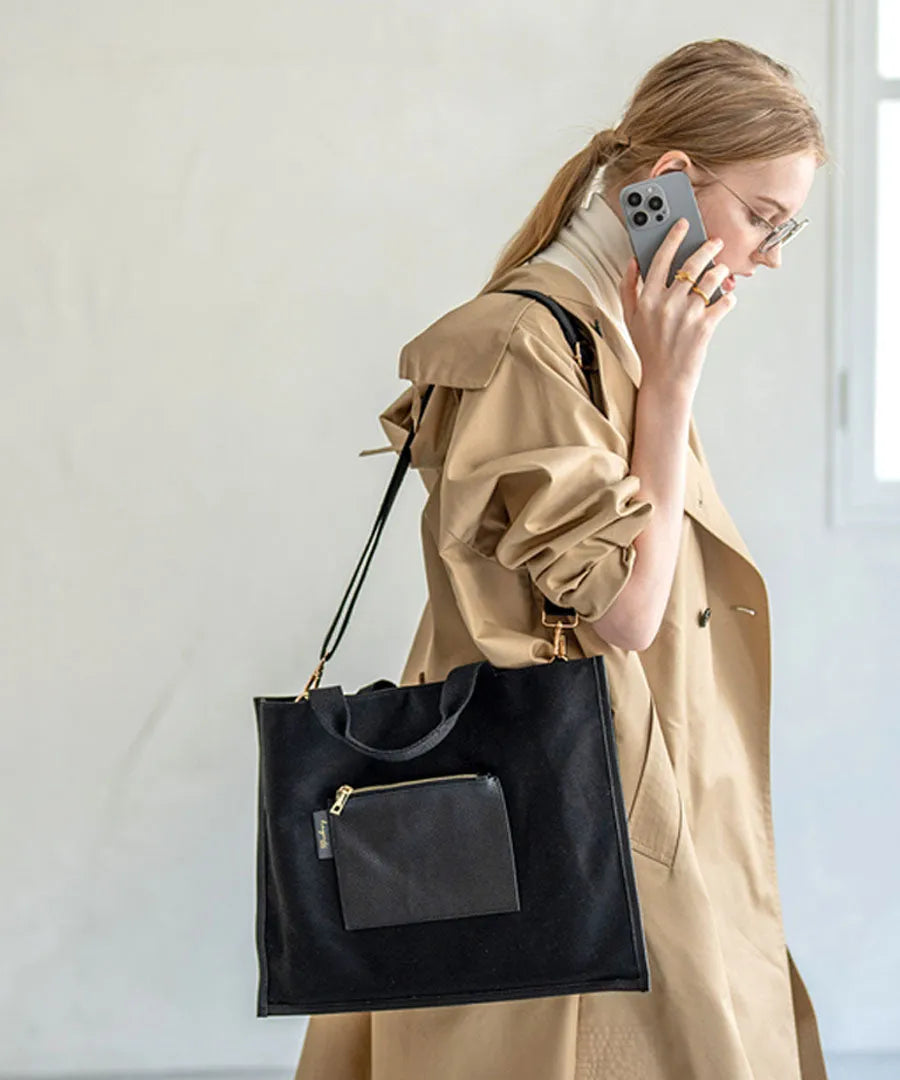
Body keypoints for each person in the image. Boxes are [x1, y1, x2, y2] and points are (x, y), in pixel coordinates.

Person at [294, 37, 830, 1080]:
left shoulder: (608, 330)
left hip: (622, 788)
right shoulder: (532, 344)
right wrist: (672, 391)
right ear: (670, 184)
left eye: (786, 227)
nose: (768, 256)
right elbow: (625, 611)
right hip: (560, 808)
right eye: (763, 219)